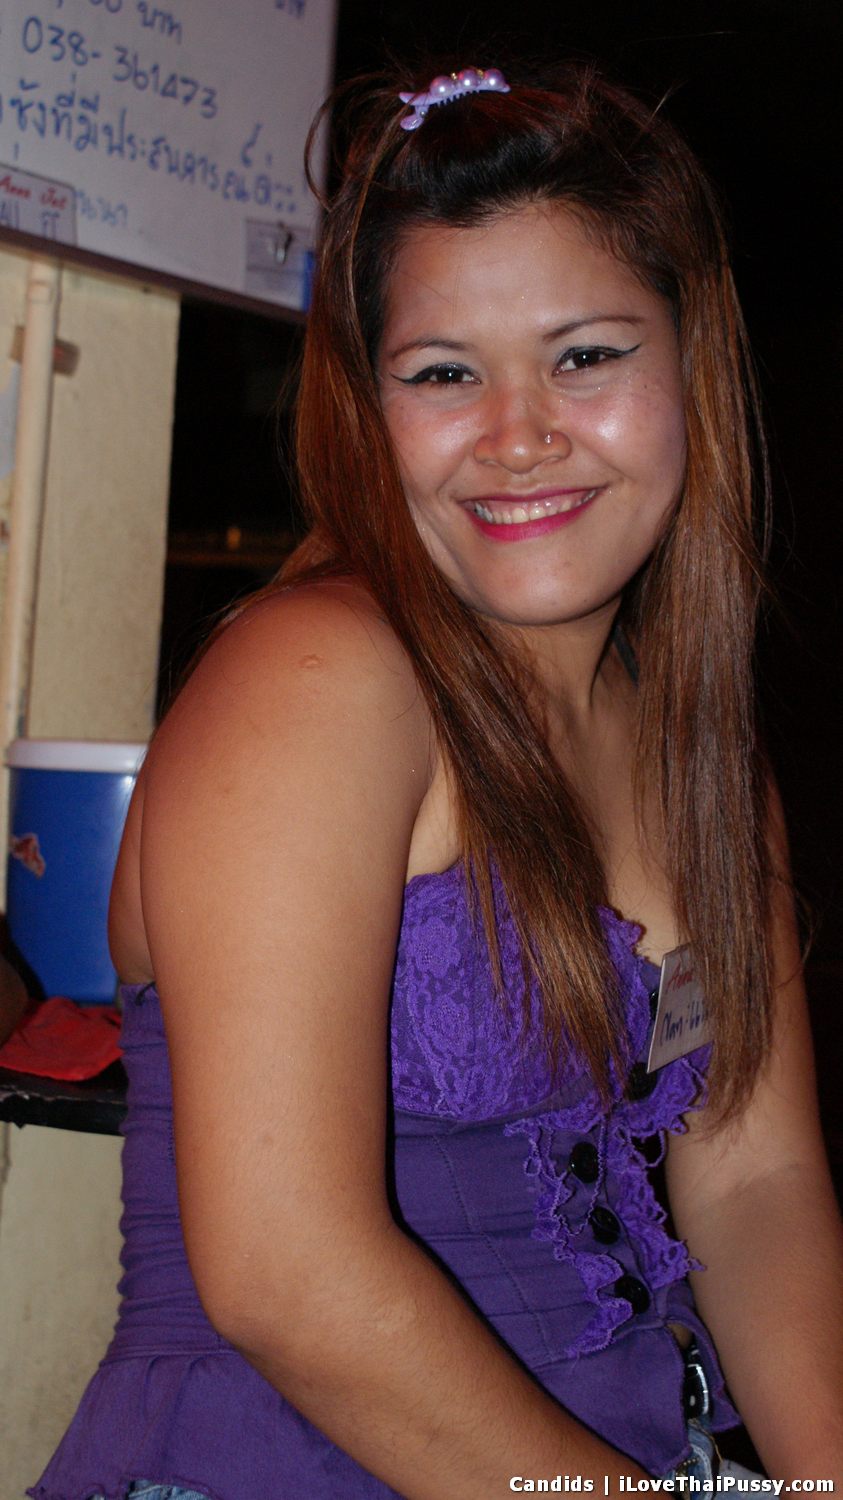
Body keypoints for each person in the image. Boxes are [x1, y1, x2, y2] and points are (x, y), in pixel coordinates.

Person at [31, 59, 843, 1500]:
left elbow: (756, 1182)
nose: (519, 433)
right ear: (369, 406)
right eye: (444, 373)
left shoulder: (704, 755)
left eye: (585, 356)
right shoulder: (320, 680)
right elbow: (285, 1276)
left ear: (690, 368)